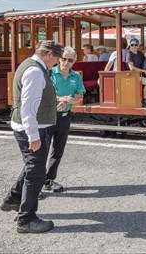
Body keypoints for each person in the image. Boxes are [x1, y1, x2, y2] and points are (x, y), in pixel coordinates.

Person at [0, 40, 64, 234]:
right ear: (48, 54)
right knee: (36, 173)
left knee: (31, 166)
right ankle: (26, 220)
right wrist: (33, 135)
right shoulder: (36, 71)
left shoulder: (30, 65)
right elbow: (28, 107)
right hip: (32, 128)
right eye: (57, 58)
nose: (58, 62)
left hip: (30, 126)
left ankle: (13, 199)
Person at [45, 46, 85, 193]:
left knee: (58, 151)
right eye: (63, 58)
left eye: (70, 60)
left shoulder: (76, 76)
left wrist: (71, 100)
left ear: (74, 62)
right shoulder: (49, 73)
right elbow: (43, 94)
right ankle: (35, 184)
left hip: (65, 117)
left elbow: (81, 94)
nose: (66, 62)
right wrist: (60, 98)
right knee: (42, 151)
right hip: (48, 116)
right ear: (58, 58)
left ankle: (48, 180)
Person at [125, 38, 146, 107]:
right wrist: (144, 71)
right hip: (133, 75)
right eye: (132, 45)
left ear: (138, 46)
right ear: (130, 45)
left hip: (141, 74)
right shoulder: (129, 55)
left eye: (136, 45)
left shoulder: (140, 53)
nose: (134, 47)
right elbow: (132, 68)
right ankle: (144, 100)